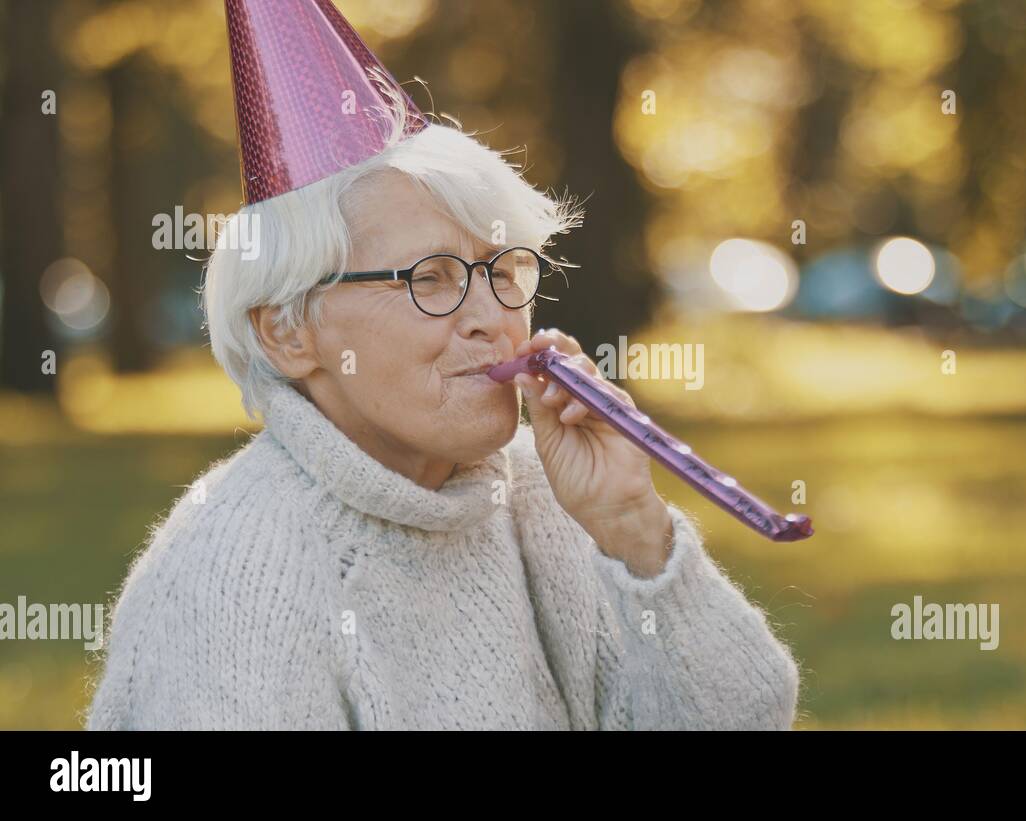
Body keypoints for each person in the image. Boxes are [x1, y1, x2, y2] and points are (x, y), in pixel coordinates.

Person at [84, 0, 800, 730]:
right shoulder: (238, 579)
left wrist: (634, 531)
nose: (492, 317)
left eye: (502, 269)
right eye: (430, 278)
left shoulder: (545, 497)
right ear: (289, 331)